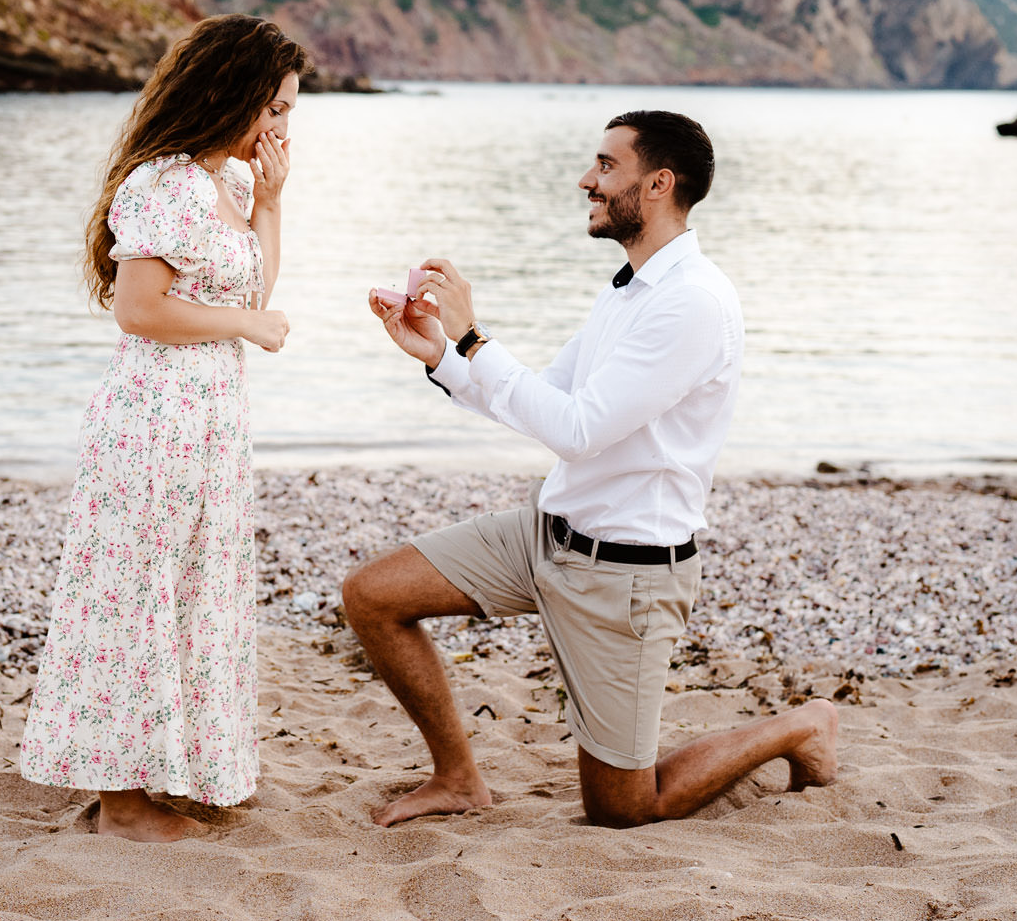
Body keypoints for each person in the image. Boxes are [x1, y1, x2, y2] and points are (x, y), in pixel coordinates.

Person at [347, 109, 837, 829]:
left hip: (627, 573)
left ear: (660, 183)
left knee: (623, 806)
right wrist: (442, 356)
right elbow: (548, 402)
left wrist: (475, 335)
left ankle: (802, 726)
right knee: (373, 596)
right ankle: (457, 779)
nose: (588, 179)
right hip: (550, 534)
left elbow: (578, 431)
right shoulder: (629, 289)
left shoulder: (693, 303)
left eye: (606, 166)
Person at [19, 14, 307, 842]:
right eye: (276, 108)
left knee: (191, 594)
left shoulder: (236, 184)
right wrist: (245, 329)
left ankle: (167, 770)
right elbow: (137, 308)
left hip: (209, 419)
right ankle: (122, 803)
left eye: (290, 111)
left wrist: (274, 206)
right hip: (155, 420)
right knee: (135, 596)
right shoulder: (167, 184)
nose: (283, 127)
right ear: (231, 94)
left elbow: (250, 288)